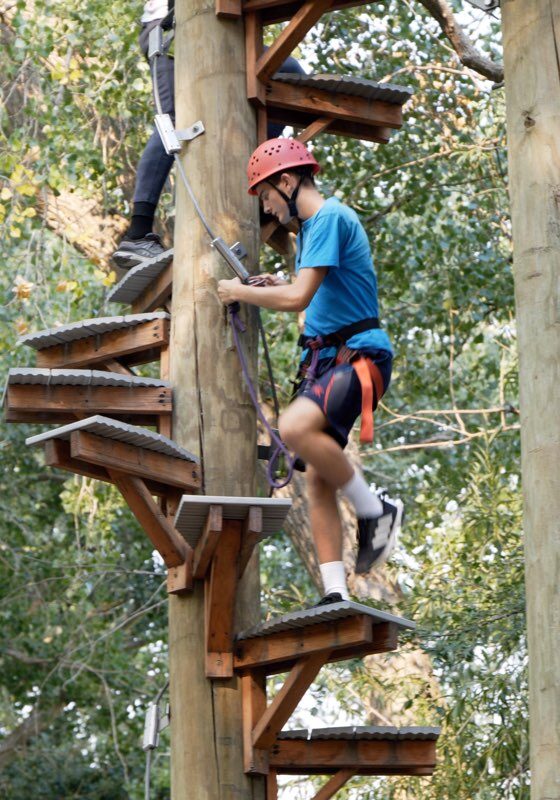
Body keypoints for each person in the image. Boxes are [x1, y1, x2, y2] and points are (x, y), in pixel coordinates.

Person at [217, 138, 403, 605]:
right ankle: (336, 592)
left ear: (287, 181)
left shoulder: (328, 218)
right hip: (331, 361)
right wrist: (278, 283)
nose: (270, 211)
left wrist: (238, 291)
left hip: (358, 356)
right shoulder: (314, 235)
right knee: (318, 476)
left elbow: (299, 299)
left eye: (266, 198)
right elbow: (312, 293)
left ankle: (374, 509)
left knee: (294, 426)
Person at [112, 1, 307, 269]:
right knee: (172, 121)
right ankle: (138, 230)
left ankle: (253, 180)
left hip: (222, 27)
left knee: (288, 73)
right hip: (171, 29)